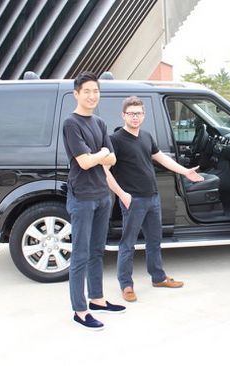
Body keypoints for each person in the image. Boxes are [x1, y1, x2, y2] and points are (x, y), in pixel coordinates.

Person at [105, 96, 204, 302]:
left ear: (144, 115)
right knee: (128, 244)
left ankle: (158, 277)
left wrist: (185, 171)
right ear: (123, 115)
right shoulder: (115, 140)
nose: (135, 117)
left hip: (152, 197)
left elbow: (163, 159)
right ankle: (126, 284)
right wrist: (122, 195)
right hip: (133, 201)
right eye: (131, 113)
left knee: (154, 241)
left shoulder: (146, 137)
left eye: (139, 113)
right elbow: (104, 170)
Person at [63, 71, 126, 331]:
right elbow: (85, 161)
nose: (92, 95)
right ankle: (80, 310)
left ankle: (97, 299)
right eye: (86, 91)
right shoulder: (71, 123)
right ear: (77, 93)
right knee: (80, 254)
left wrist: (99, 154)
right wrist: (101, 153)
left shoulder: (99, 123)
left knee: (97, 251)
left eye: (95, 91)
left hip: (102, 195)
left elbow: (112, 159)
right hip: (82, 197)